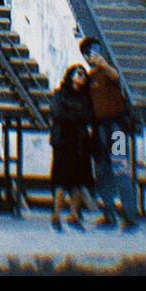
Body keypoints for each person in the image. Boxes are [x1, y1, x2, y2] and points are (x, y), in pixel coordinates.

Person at [80, 37, 139, 230]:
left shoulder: (110, 71)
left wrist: (104, 65)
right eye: (88, 53)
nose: (91, 57)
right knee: (103, 172)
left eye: (94, 52)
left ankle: (130, 215)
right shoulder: (89, 79)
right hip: (99, 129)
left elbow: (116, 77)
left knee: (121, 168)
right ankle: (109, 213)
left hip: (116, 127)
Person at [49, 64, 94, 231]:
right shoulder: (60, 94)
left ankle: (74, 215)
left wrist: (74, 117)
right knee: (62, 180)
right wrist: (78, 118)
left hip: (79, 142)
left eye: (83, 74)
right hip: (64, 141)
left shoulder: (86, 97)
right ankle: (56, 215)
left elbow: (89, 115)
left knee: (78, 181)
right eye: (78, 74)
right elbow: (58, 113)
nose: (81, 77)